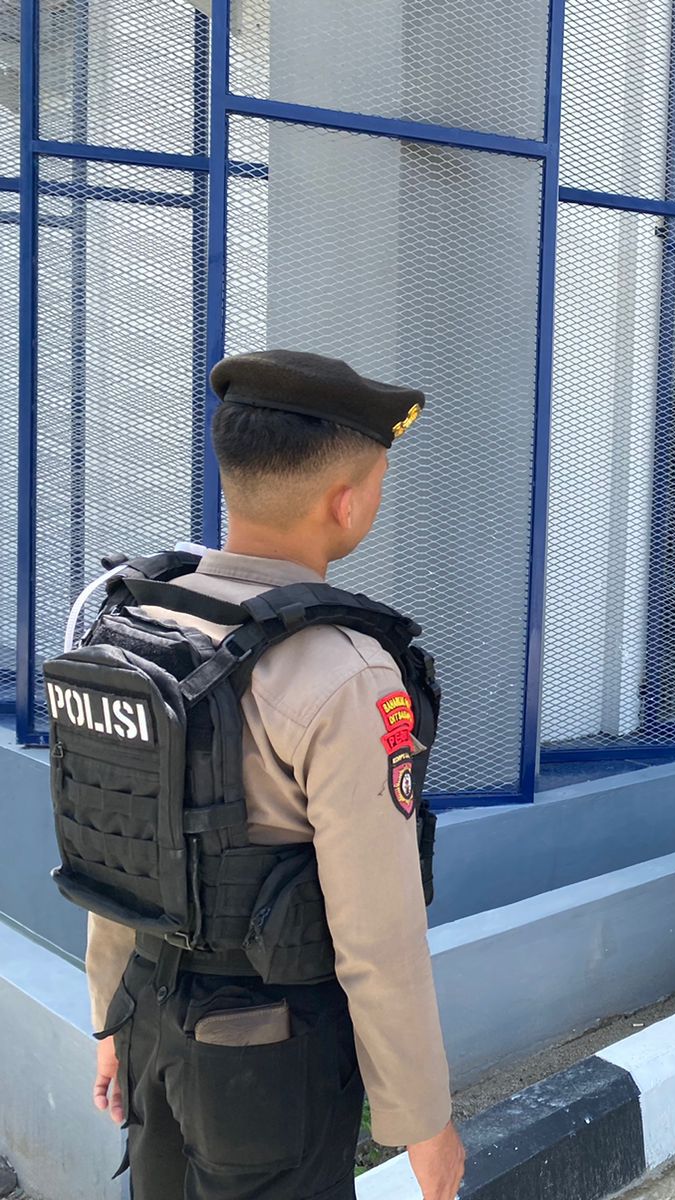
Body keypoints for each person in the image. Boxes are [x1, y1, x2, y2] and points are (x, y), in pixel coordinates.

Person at [56, 350, 466, 1199]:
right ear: (345, 503)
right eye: (378, 485)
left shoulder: (135, 622)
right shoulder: (346, 672)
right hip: (269, 1062)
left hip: (148, 1020)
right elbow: (377, 930)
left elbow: (119, 851)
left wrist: (110, 1021)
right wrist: (424, 1122)